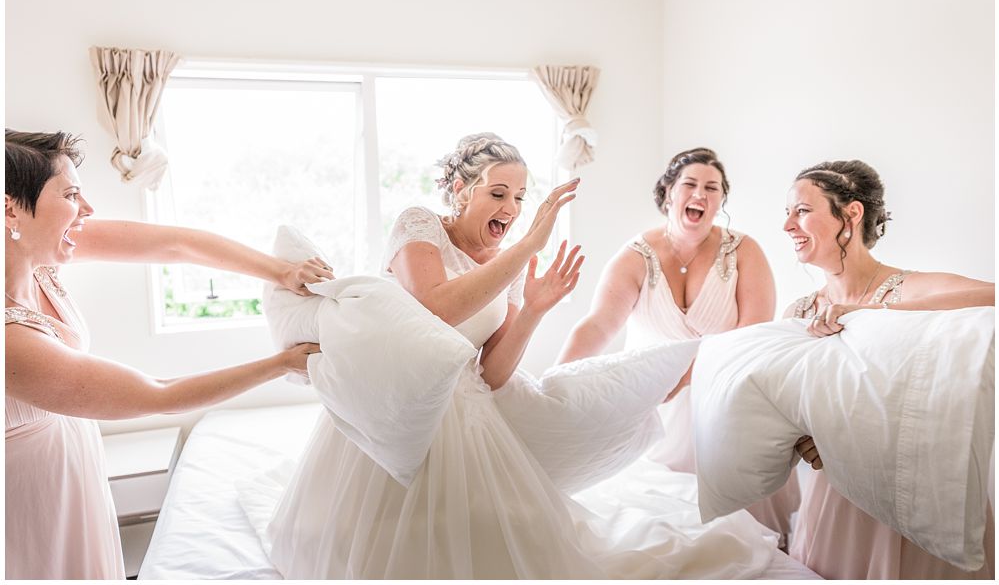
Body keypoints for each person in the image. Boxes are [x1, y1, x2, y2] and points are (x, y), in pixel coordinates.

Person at [252, 133, 778, 579]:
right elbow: (435, 311)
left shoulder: (503, 263)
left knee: (500, 545)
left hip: (464, 417)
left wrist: (534, 310)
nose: (510, 209)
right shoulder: (420, 227)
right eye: (497, 193)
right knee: (373, 542)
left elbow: (494, 373)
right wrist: (529, 246)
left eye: (520, 198)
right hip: (395, 405)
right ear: (460, 190)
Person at [5, 129, 329, 579]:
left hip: (72, 474)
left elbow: (177, 244)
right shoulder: (11, 344)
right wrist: (282, 363)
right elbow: (158, 393)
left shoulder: (40, 257)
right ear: (10, 209)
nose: (88, 210)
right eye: (72, 194)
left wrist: (282, 271)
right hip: (29, 503)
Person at [556, 147, 800, 542]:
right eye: (689, 184)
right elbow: (598, 324)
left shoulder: (744, 252)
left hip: (726, 404)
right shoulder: (637, 256)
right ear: (668, 193)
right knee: (658, 529)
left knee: (741, 535)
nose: (700, 195)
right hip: (656, 406)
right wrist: (557, 381)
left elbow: (752, 336)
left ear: (721, 200)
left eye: (712, 188)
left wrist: (686, 377)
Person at [784, 159, 994, 579]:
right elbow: (785, 403)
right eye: (787, 213)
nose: (788, 225)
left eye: (802, 210)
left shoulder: (906, 288)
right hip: (837, 497)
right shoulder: (799, 312)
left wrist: (869, 313)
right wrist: (802, 437)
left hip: (920, 488)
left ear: (851, 214)